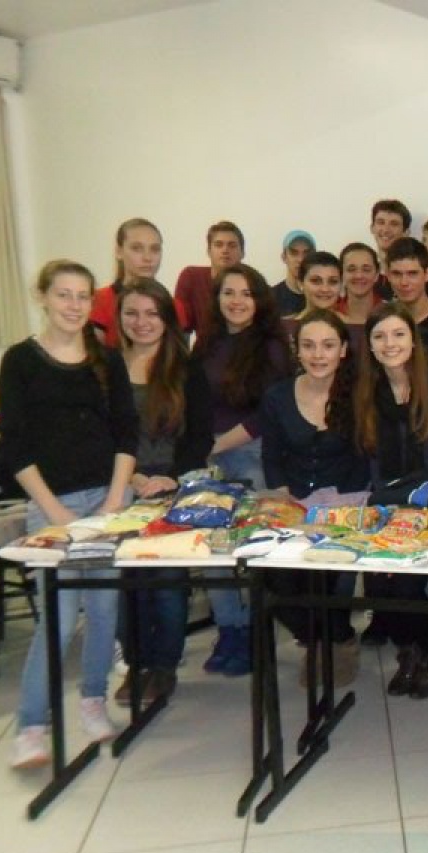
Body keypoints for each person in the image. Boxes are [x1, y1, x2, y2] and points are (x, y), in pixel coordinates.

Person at [0, 260, 137, 768]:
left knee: (102, 611)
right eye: (64, 294)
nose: (74, 305)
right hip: (49, 505)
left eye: (83, 296)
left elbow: (126, 432)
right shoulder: (20, 361)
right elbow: (15, 446)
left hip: (106, 501)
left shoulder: (106, 360)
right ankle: (32, 726)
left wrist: (114, 500)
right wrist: (54, 511)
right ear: (43, 296)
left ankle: (93, 701)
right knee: (57, 619)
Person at [355, 304, 428, 699]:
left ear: (413, 339)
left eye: (398, 334)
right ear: (369, 345)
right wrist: (378, 509)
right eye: (380, 336)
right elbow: (369, 454)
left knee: (404, 581)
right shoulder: (366, 387)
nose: (390, 343)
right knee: (380, 585)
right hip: (387, 498)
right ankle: (410, 651)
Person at [114, 279, 213, 706]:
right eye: (132, 313)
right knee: (128, 584)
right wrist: (133, 478)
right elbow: (103, 434)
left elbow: (200, 435)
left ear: (167, 319)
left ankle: (164, 666)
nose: (142, 322)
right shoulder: (107, 368)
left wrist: (171, 478)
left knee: (168, 583)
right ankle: (136, 664)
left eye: (152, 313)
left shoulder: (187, 369)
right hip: (122, 486)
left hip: (175, 486)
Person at [194, 263, 293, 675]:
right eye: (228, 292)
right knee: (213, 549)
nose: (236, 301)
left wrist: (216, 444)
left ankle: (253, 632)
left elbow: (265, 414)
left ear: (259, 300)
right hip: (210, 461)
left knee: (250, 550)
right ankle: (229, 630)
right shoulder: (206, 344)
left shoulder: (272, 347)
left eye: (246, 293)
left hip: (251, 454)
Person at [261, 310, 369, 686]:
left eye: (327, 345)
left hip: (346, 506)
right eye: (308, 345)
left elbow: (364, 460)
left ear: (343, 350)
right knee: (274, 582)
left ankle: (336, 641)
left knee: (330, 581)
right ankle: (323, 640)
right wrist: (285, 503)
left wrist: (338, 513)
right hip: (292, 503)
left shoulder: (359, 395)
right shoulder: (277, 396)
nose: (318, 355)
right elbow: (271, 458)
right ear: (297, 350)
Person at [90, 218, 178, 347]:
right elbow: (92, 354)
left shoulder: (175, 306)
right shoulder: (98, 301)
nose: (147, 258)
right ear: (119, 252)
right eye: (137, 248)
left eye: (155, 249)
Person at [175, 220, 245, 341]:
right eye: (218, 245)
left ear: (242, 253)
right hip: (205, 350)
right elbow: (180, 327)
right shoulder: (192, 277)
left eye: (232, 245)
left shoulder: (254, 284)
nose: (225, 250)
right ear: (208, 251)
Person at [281, 251, 343, 342]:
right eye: (316, 281)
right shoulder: (284, 327)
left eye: (333, 282)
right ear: (300, 283)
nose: (325, 289)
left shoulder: (355, 326)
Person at [369, 198, 411, 301]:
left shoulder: (414, 275)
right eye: (381, 222)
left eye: (394, 224)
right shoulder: (363, 274)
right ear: (372, 228)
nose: (386, 230)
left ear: (406, 232)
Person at [272, 230, 316, 318]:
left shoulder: (323, 295)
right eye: (294, 253)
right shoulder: (271, 297)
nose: (300, 259)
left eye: (306, 253)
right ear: (284, 257)